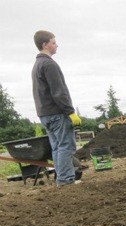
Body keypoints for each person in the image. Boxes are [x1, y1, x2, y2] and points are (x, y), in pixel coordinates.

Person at [31, 30, 82, 187]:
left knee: (57, 148)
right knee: (66, 146)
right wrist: (70, 112)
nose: (56, 45)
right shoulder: (49, 64)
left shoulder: (37, 65)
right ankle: (66, 180)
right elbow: (58, 92)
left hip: (45, 114)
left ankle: (61, 180)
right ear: (44, 45)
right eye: (53, 42)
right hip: (57, 114)